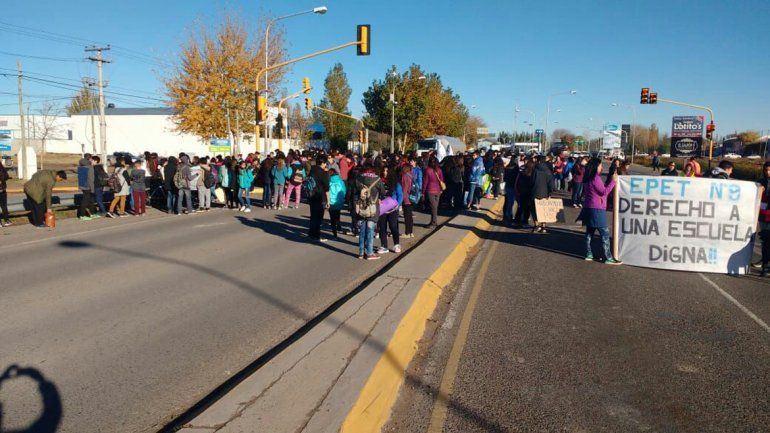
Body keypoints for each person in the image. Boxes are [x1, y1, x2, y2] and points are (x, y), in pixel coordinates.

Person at [580, 157, 620, 264]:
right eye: (600, 165)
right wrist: (613, 182)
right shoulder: (595, 178)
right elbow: (604, 192)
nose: (602, 167)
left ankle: (589, 254)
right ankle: (608, 257)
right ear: (596, 166)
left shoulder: (588, 177)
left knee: (589, 233)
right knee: (604, 233)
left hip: (588, 207)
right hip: (597, 209)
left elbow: (601, 190)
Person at [353, 162, 386, 259]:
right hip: (372, 208)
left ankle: (361, 252)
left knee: (362, 230)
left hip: (362, 207)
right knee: (370, 230)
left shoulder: (358, 179)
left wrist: (356, 205)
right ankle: (370, 253)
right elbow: (383, 192)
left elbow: (354, 193)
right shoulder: (377, 179)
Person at [308, 156, 330, 242]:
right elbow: (327, 188)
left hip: (311, 195)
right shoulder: (323, 173)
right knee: (319, 217)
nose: (326, 165)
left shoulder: (312, 170)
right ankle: (316, 235)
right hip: (320, 196)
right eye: (325, 163)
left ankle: (311, 234)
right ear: (323, 163)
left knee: (313, 216)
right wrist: (328, 201)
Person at [531, 156, 553, 233]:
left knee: (534, 209)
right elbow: (551, 183)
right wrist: (550, 193)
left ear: (539, 161)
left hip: (535, 192)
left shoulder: (535, 170)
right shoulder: (548, 171)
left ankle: (536, 225)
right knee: (544, 210)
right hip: (545, 193)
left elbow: (532, 181)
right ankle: (543, 226)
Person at [423, 156, 445, 227]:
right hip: (438, 190)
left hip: (430, 190)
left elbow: (425, 182)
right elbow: (441, 180)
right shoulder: (439, 170)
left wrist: (423, 191)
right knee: (435, 206)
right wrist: (441, 189)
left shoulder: (427, 170)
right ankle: (434, 221)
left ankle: (433, 222)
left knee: (433, 207)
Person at [757, 162, 770, 276]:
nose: (767, 172)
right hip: (762, 215)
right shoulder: (761, 181)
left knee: (768, 239)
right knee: (764, 239)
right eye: (766, 170)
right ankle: (764, 260)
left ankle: (766, 264)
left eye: (769, 170)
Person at [328, 168, 346, 237]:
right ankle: (339, 226)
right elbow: (344, 190)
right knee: (338, 214)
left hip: (331, 201)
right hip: (339, 201)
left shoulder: (329, 181)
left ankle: (334, 231)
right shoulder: (340, 181)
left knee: (332, 217)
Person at [77, 155, 96, 221]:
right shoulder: (90, 167)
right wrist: (93, 189)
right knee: (85, 201)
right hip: (88, 186)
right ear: (90, 159)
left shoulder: (80, 166)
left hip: (82, 185)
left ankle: (92, 213)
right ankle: (82, 215)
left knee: (90, 200)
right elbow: (91, 179)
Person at [502, 157, 519, 224]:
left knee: (508, 202)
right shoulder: (516, 169)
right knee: (513, 203)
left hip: (508, 186)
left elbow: (505, 178)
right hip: (514, 187)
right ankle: (510, 216)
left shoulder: (507, 168)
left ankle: (507, 216)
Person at [401, 164, 415, 238]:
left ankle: (407, 233)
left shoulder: (405, 176)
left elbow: (405, 188)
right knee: (410, 216)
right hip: (412, 197)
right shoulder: (411, 175)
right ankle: (411, 232)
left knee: (407, 216)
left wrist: (401, 198)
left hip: (406, 198)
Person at [0, 158, 11, 226]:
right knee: (4, 206)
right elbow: (7, 176)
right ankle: (7, 220)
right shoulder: (2, 168)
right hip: (3, 190)